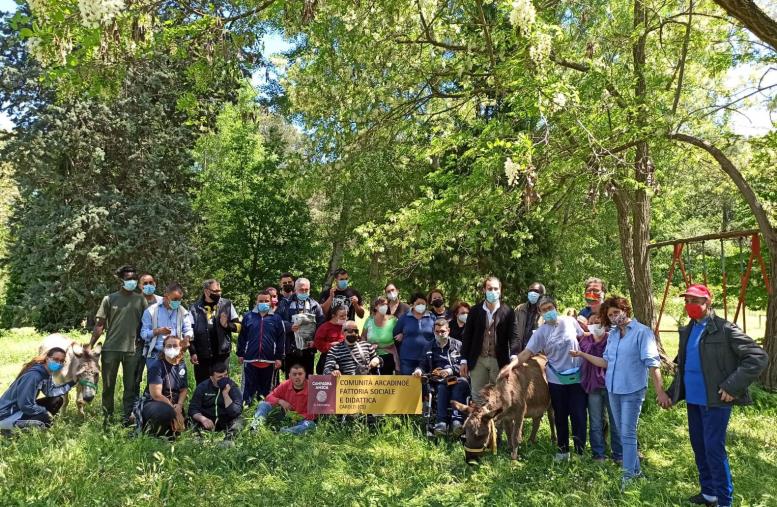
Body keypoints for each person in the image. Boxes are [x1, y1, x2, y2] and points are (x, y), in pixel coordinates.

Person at [665, 285, 767, 507]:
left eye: (696, 300)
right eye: (687, 300)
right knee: (699, 446)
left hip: (715, 400)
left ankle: (723, 500)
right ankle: (709, 493)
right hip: (693, 399)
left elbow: (757, 357)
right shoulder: (687, 330)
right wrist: (672, 393)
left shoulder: (724, 329)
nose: (690, 305)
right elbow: (683, 366)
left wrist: (732, 386)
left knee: (713, 448)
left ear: (708, 302)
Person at [570, 296, 671, 488]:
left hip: (632, 390)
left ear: (625, 309)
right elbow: (606, 362)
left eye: (617, 312)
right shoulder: (614, 334)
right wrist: (582, 354)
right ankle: (636, 472)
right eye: (610, 314)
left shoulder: (642, 332)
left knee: (627, 433)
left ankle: (628, 477)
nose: (615, 316)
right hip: (613, 389)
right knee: (624, 432)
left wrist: (660, 392)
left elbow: (653, 364)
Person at [508, 295, 586, 461]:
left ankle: (580, 451)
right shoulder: (541, 332)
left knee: (578, 414)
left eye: (550, 308)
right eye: (544, 310)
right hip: (556, 379)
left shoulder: (570, 321)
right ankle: (563, 451)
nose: (548, 312)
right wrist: (510, 365)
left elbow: (584, 338)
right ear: (540, 312)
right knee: (560, 415)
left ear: (556, 307)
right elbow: (527, 352)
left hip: (577, 376)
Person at [90, 265, 148, 424]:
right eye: (129, 279)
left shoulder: (140, 299)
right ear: (121, 280)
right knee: (108, 387)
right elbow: (100, 324)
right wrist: (90, 345)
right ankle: (107, 419)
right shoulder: (109, 299)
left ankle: (127, 419)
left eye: (134, 279)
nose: (132, 282)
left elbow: (146, 323)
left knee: (130, 387)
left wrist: (141, 340)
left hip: (132, 350)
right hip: (110, 349)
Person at [460, 277, 519, 402]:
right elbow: (467, 336)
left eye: (496, 288)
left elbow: (514, 337)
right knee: (478, 396)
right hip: (478, 360)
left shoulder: (508, 311)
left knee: (498, 396)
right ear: (484, 290)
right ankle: (481, 421)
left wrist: (513, 359)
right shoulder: (475, 311)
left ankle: (497, 422)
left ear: (500, 290)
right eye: (489, 288)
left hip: (498, 360)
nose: (493, 291)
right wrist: (463, 360)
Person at [413, 318, 469, 435]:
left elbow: (464, 364)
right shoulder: (429, 347)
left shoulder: (459, 345)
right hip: (437, 380)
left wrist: (450, 370)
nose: (439, 334)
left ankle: (448, 422)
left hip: (456, 379)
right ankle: (447, 423)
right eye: (437, 331)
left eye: (442, 331)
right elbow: (422, 364)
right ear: (433, 331)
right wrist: (418, 370)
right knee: (443, 385)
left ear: (448, 330)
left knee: (458, 382)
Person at [578, 312, 622, 463]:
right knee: (595, 422)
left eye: (600, 322)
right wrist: (595, 338)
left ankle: (619, 454)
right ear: (588, 324)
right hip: (593, 386)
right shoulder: (585, 340)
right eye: (593, 322)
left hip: (611, 386)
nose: (597, 324)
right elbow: (589, 351)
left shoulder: (612, 338)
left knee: (615, 421)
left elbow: (609, 358)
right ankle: (598, 454)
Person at [0, 347, 73, 430]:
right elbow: (25, 405)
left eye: (62, 361)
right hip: (6, 415)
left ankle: (40, 423)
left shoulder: (46, 373)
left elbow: (50, 392)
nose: (59, 363)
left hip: (19, 409)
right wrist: (45, 412)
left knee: (56, 400)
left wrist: (72, 382)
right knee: (45, 418)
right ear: (47, 358)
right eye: (56, 359)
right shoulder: (34, 376)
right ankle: (8, 431)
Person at [237, 291, 286, 405]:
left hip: (270, 360)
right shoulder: (248, 317)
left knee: (267, 390)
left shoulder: (277, 319)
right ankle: (244, 411)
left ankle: (265, 412)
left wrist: (279, 357)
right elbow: (242, 337)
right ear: (256, 302)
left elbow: (281, 340)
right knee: (247, 389)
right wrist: (240, 353)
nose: (263, 303)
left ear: (270, 302)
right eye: (261, 301)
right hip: (250, 359)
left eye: (266, 301)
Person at [134, 335, 189, 439]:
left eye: (175, 346)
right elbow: (156, 395)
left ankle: (171, 433)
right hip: (154, 403)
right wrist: (174, 410)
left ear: (180, 347)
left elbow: (183, 389)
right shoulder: (156, 366)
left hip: (175, 403)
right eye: (168, 346)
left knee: (186, 420)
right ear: (164, 348)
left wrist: (180, 405)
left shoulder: (181, 365)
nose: (172, 348)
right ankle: (155, 435)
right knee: (166, 412)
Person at [188, 279, 241, 385]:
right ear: (206, 291)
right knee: (203, 384)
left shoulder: (227, 304)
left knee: (222, 383)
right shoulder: (194, 308)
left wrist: (227, 325)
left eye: (219, 291)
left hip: (222, 354)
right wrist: (192, 352)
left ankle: (223, 401)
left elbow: (239, 327)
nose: (218, 293)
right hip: (202, 355)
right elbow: (189, 332)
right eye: (215, 291)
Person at [277, 277, 325, 376]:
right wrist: (289, 326)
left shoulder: (315, 305)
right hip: (291, 348)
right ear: (295, 289)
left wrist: (315, 341)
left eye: (306, 290)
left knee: (307, 378)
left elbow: (321, 325)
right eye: (301, 290)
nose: (304, 292)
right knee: (291, 380)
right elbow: (277, 321)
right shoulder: (285, 303)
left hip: (308, 349)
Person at [140, 282, 194, 370]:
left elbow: (188, 329)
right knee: (155, 383)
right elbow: (143, 334)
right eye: (175, 299)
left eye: (180, 300)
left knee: (178, 383)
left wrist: (187, 338)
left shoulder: (182, 311)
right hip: (156, 355)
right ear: (166, 296)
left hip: (177, 354)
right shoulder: (151, 311)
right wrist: (158, 331)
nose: (177, 302)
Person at [253, 364, 316, 434]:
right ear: (289, 376)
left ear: (305, 375)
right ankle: (256, 427)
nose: (297, 377)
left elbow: (315, 413)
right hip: (284, 416)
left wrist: (299, 417)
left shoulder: (313, 388)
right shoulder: (285, 384)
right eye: (294, 374)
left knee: (310, 425)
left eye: (300, 374)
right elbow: (269, 397)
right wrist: (280, 401)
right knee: (263, 404)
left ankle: (284, 432)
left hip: (302, 420)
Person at [132, 272, 164, 407]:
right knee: (135, 376)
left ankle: (150, 402)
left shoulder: (162, 301)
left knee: (157, 374)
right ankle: (134, 407)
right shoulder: (134, 302)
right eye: (145, 283)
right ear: (140, 286)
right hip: (138, 344)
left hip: (157, 345)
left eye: (151, 283)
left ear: (155, 284)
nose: (149, 285)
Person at [188, 361, 243, 440]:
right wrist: (202, 419)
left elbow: (235, 412)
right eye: (220, 377)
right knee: (191, 421)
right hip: (207, 420)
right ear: (211, 377)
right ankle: (198, 442)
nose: (224, 378)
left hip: (226, 421)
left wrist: (225, 394)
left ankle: (228, 441)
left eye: (226, 375)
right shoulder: (202, 387)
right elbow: (193, 409)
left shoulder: (233, 387)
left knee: (239, 421)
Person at [393, 292, 436, 375]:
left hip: (426, 358)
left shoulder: (431, 317)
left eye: (423, 303)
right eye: (418, 303)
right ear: (413, 304)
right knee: (408, 385)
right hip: (407, 358)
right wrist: (402, 334)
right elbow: (395, 335)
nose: (421, 305)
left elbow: (437, 333)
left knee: (425, 385)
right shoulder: (404, 317)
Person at [362, 296, 399, 375]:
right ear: (376, 306)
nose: (384, 306)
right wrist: (368, 346)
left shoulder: (393, 320)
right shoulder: (369, 320)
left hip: (388, 356)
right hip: (370, 356)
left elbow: (399, 337)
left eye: (386, 304)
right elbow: (363, 337)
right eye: (381, 304)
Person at [313, 306, 347, 374]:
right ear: (333, 316)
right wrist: (330, 345)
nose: (344, 318)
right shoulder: (324, 327)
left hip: (344, 359)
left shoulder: (346, 326)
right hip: (327, 358)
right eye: (341, 316)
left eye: (346, 315)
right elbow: (317, 343)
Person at [515, 282, 545, 353]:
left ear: (542, 294)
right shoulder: (519, 308)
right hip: (519, 351)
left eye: (536, 291)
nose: (532, 293)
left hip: (536, 354)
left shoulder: (545, 311)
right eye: (531, 291)